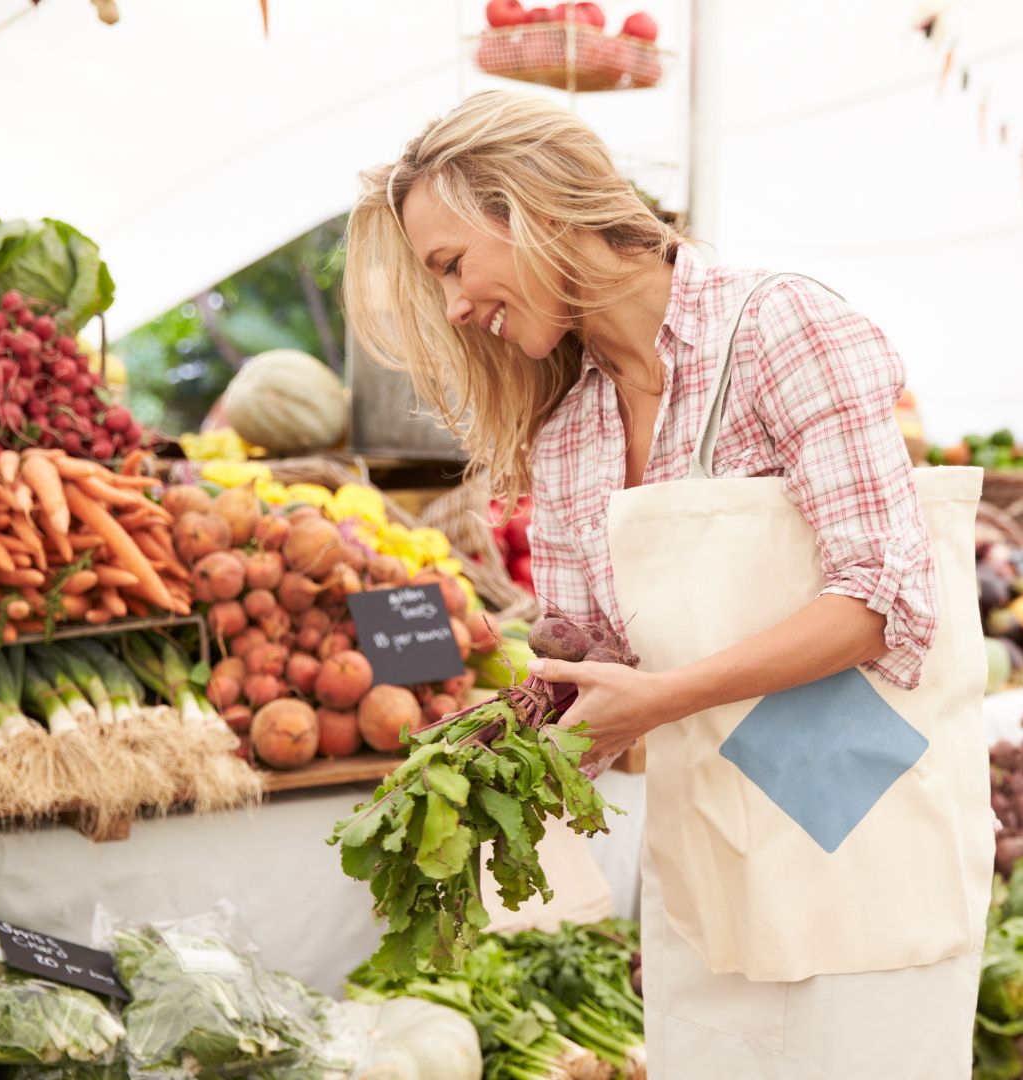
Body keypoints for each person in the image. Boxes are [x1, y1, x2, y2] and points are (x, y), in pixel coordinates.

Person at [343, 89, 990, 1078]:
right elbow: (596, 654)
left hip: (860, 828)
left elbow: (879, 604)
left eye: (451, 265)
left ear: (532, 212)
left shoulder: (782, 327)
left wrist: (660, 699)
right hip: (715, 851)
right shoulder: (570, 428)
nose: (455, 307)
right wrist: (489, 742)